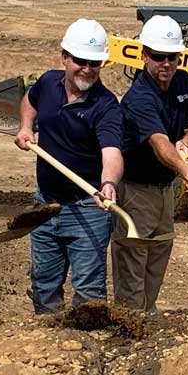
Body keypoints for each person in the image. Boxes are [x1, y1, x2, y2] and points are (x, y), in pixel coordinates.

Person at [15, 19, 123, 312]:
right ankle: (49, 350)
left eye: (95, 63)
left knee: (89, 293)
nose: (87, 69)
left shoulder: (106, 106)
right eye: (80, 61)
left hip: (87, 207)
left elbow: (111, 152)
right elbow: (30, 99)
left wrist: (108, 183)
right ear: (65, 57)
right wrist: (26, 126)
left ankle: (87, 352)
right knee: (44, 287)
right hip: (46, 205)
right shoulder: (48, 82)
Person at [115, 15, 188, 311]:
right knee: (134, 256)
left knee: (159, 253)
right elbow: (158, 143)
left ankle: (148, 313)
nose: (166, 63)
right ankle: (130, 318)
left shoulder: (182, 81)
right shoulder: (138, 97)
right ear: (144, 56)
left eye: (172, 57)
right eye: (158, 56)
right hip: (137, 191)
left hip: (166, 188)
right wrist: (185, 168)